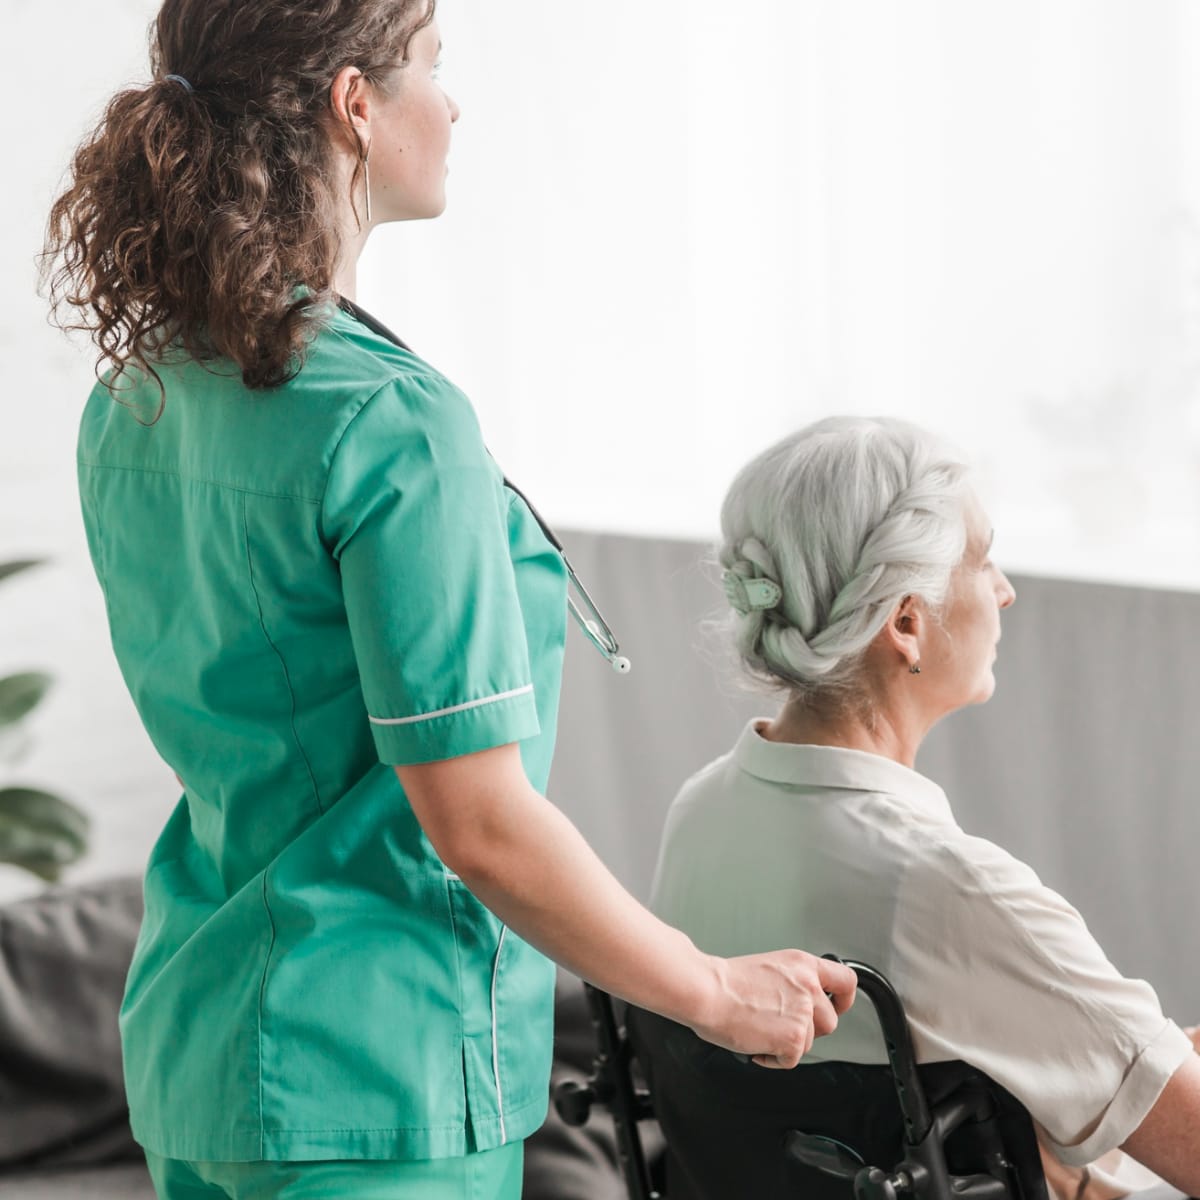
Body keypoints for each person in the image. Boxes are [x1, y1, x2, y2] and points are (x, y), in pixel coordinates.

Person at [41, 3, 856, 1198]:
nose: (454, 102)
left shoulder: (138, 396)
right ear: (353, 105)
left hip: (203, 1056)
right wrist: (713, 991)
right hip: (378, 1081)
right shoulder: (392, 423)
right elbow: (475, 820)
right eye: (433, 65)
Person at [649, 416, 1200, 1199]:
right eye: (984, 560)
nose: (1005, 591)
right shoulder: (951, 888)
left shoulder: (699, 810)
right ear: (906, 623)